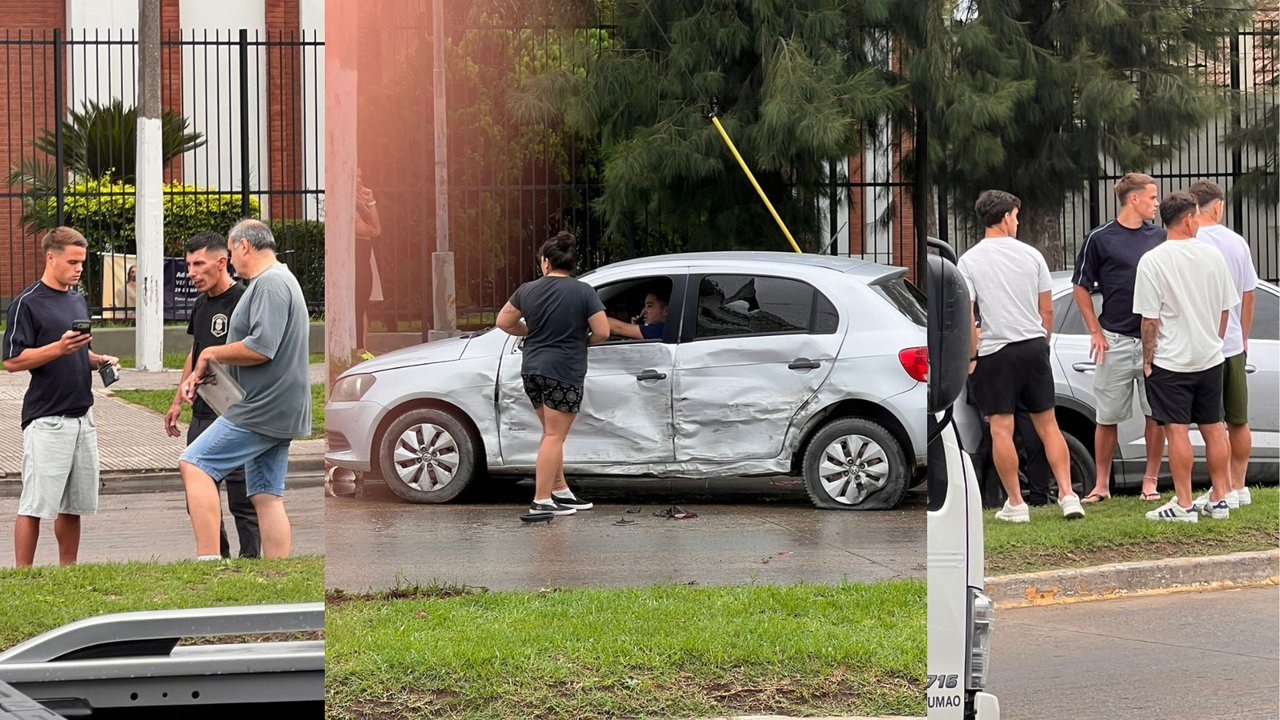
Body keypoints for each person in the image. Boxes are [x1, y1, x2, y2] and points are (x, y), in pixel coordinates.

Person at [178, 220, 312, 558]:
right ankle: (279, 570)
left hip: (260, 408)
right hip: (279, 406)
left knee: (194, 463)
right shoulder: (276, 281)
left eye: (231, 249)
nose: (231, 259)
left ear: (243, 247)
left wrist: (210, 353)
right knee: (266, 494)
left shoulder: (270, 284)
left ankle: (208, 561)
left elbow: (261, 347)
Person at [957, 190, 1085, 522]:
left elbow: (968, 316)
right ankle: (1069, 495)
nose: (1018, 221)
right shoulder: (1032, 255)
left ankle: (1016, 502)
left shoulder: (969, 260)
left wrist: (972, 357)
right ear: (1004, 217)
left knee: (1001, 429)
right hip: (1032, 347)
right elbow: (1046, 308)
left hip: (996, 351)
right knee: (1049, 425)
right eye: (1015, 215)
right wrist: (1041, 343)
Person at [2, 226, 120, 565]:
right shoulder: (27, 303)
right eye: (72, 262)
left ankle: (68, 571)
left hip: (84, 417)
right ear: (50, 257)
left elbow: (79, 350)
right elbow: (12, 361)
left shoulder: (75, 297)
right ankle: (23, 575)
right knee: (36, 504)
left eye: (82, 262)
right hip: (47, 419)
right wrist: (57, 348)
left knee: (75, 504)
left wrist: (98, 360)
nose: (79, 268)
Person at [1133, 192, 1237, 522]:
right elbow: (1225, 309)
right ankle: (1221, 497)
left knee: (1177, 430)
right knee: (1214, 427)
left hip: (1171, 360)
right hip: (1209, 356)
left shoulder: (1152, 260)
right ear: (1189, 218)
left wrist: (1148, 358)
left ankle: (1184, 502)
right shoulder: (1213, 256)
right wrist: (1213, 342)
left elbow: (1149, 319)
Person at [495, 231, 610, 518]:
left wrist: (530, 330)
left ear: (545, 262)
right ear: (571, 264)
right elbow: (603, 331)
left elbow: (503, 321)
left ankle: (560, 491)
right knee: (554, 436)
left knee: (551, 434)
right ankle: (541, 499)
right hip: (565, 371)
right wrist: (580, 339)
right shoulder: (584, 291)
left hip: (532, 369)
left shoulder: (527, 290)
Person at [1072, 172, 1168, 503]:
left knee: (1156, 414)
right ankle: (1101, 485)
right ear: (1134, 199)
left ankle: (1150, 482)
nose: (1157, 203)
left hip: (1154, 342)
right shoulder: (1099, 238)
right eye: (1153, 197)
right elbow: (1080, 286)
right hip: (1114, 339)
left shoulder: (1160, 237)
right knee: (1106, 416)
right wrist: (1095, 331)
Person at [165, 231, 260, 558]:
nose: (191, 272)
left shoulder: (244, 301)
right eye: (189, 264)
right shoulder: (202, 303)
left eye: (198, 264)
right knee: (198, 494)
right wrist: (178, 397)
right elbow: (197, 351)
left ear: (222, 262)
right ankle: (216, 559)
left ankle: (251, 563)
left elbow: (257, 352)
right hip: (203, 413)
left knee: (241, 499)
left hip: (235, 413)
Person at [1188, 180, 1258, 510]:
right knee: (1238, 419)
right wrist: (1242, 336)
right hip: (1230, 344)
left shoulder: (1187, 240)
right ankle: (1238, 484)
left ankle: (1222, 488)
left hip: (1200, 343)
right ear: (1217, 206)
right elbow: (1248, 294)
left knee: (1211, 423)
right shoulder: (1236, 242)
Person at [353, 168, 384, 352]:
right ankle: (357, 347)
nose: (358, 180)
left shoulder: (362, 202)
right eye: (354, 176)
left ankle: (362, 347)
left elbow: (377, 227)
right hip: (356, 252)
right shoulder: (346, 202)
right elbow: (359, 229)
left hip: (365, 253)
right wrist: (372, 230)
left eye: (360, 176)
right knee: (357, 300)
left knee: (363, 301)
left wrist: (371, 201)